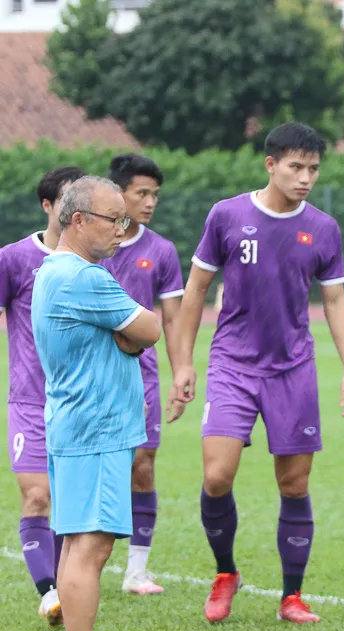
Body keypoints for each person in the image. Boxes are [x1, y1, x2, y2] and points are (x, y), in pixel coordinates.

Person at [171, 122, 344, 625]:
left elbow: (335, 299)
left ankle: (291, 596)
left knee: (294, 485)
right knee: (217, 476)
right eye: (296, 167)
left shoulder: (323, 228)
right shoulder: (227, 215)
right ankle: (226, 572)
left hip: (293, 368)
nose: (305, 178)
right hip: (233, 364)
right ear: (270, 164)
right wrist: (185, 362)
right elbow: (195, 290)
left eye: (314, 169)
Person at [31, 176, 161, 631]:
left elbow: (132, 335)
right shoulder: (83, 278)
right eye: (114, 220)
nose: (123, 231)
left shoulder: (56, 270)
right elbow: (148, 329)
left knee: (76, 546)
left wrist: (125, 338)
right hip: (95, 427)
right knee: (92, 547)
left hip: (78, 425)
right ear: (78, 219)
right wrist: (130, 338)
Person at [0, 166, 85, 625]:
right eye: (67, 200)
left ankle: (69, 582)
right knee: (37, 496)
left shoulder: (95, 261)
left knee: (72, 505)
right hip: (31, 402)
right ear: (48, 206)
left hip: (80, 403)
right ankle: (50, 592)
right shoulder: (13, 259)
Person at [101, 153, 185, 595]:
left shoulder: (162, 250)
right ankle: (79, 560)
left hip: (141, 378)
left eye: (155, 194)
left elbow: (172, 319)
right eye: (142, 193)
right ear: (118, 194)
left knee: (142, 464)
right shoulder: (87, 244)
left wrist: (181, 369)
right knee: (95, 467)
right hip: (91, 377)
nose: (150, 203)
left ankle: (136, 569)